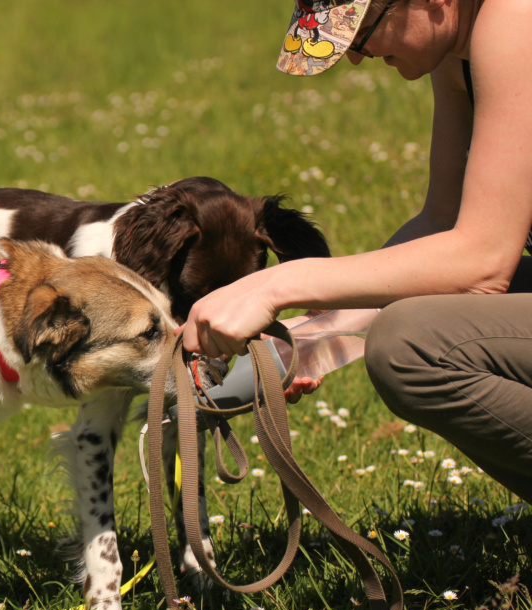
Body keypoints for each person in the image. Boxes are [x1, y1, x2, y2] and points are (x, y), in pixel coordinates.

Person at [180, 0, 532, 501]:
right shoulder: (462, 49)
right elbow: (443, 224)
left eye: (361, 32)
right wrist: (311, 336)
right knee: (416, 314)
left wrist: (274, 286)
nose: (357, 57)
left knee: (409, 345)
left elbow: (483, 261)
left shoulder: (517, 17)